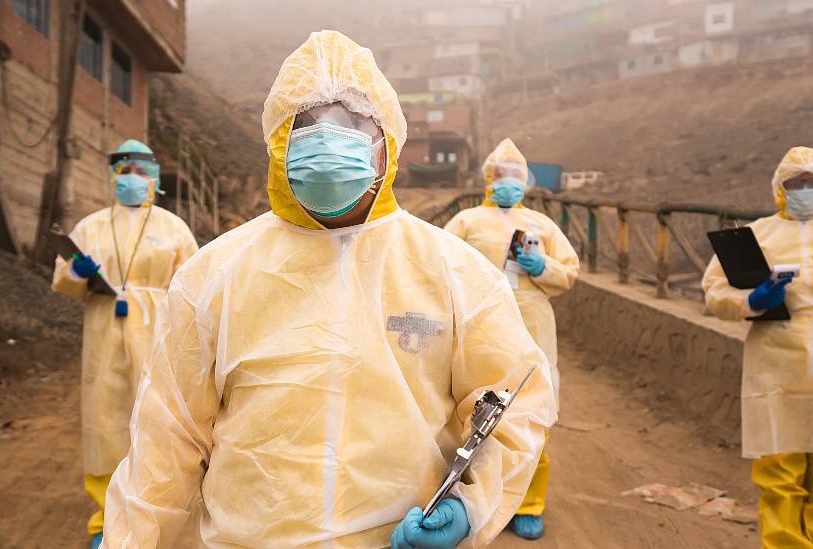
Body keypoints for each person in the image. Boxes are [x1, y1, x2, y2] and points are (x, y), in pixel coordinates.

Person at [103, 30, 555, 548]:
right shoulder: (215, 274)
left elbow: (512, 401)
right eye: (308, 124)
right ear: (277, 141)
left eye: (353, 122)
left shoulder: (455, 272)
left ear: (387, 143)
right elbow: (167, 434)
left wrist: (470, 507)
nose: (328, 137)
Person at [51, 139, 198, 549]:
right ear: (113, 176)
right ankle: (105, 517)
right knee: (103, 421)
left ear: (153, 178)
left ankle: (151, 511)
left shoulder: (174, 228)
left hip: (155, 333)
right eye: (124, 170)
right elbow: (63, 279)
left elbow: (192, 288)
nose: (131, 178)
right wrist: (78, 273)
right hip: (103, 333)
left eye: (139, 171)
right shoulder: (91, 226)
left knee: (155, 419)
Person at [444, 138, 579, 540]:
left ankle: (529, 502)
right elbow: (442, 268)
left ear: (527, 182)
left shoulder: (542, 224)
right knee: (472, 407)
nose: (508, 183)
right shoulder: (465, 221)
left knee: (532, 411)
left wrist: (543, 266)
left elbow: (568, 271)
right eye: (501, 176)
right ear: (488, 179)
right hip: (478, 324)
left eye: (516, 176)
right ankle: (469, 500)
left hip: (534, 324)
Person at [702, 146, 813, 549]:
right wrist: (751, 301)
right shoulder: (758, 235)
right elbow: (715, 291)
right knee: (779, 474)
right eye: (797, 184)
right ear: (780, 189)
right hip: (777, 364)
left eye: (812, 183)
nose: (806, 190)